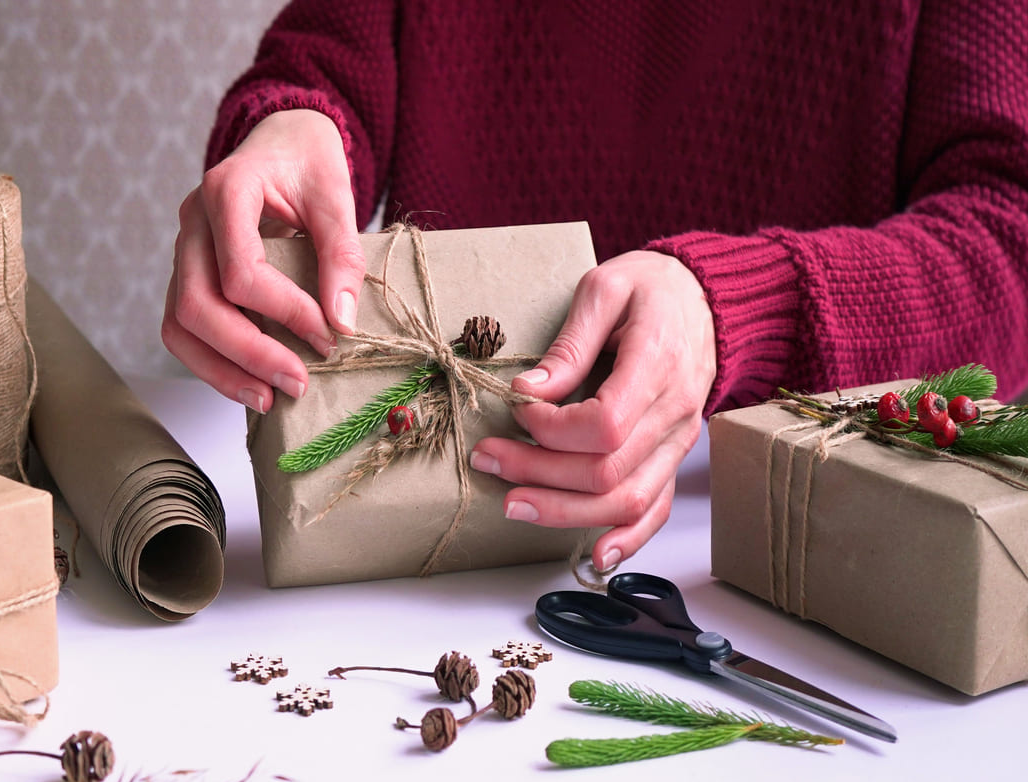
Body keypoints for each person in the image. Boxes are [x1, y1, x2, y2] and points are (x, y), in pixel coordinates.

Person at [162, 1, 1028, 572]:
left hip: (809, 548)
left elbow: (1008, 226)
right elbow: (329, 62)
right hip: (446, 542)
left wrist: (740, 309)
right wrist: (290, 125)